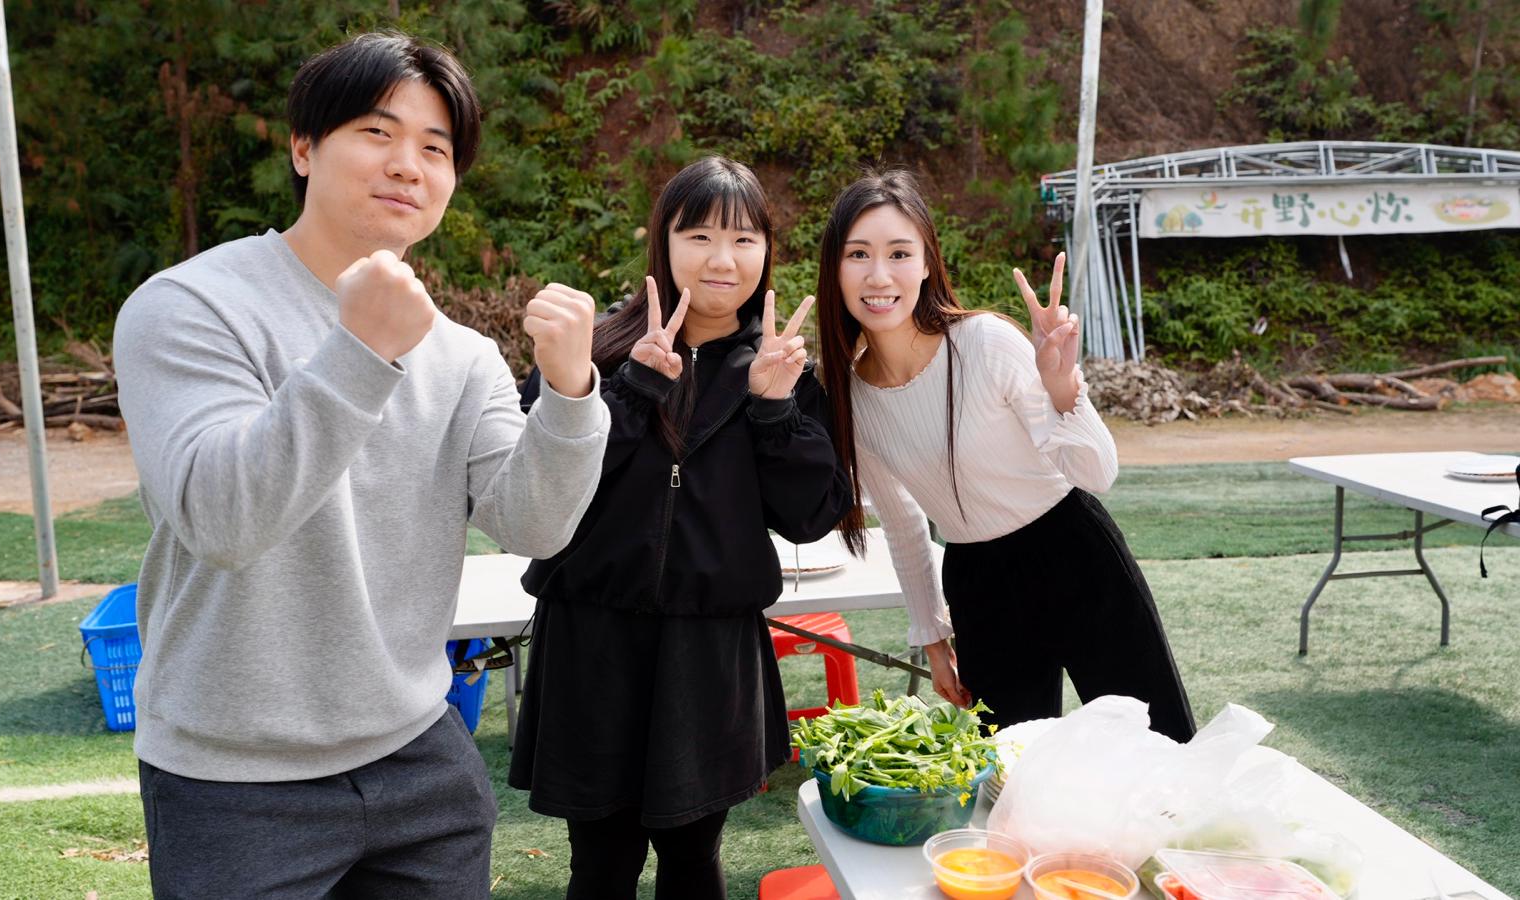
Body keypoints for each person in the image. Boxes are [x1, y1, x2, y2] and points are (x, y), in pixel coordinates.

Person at [113, 32, 610, 899]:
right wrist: (361, 352)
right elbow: (222, 521)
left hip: (418, 755)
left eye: (435, 148)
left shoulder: (461, 356)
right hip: (234, 778)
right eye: (377, 133)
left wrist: (569, 395)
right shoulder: (190, 306)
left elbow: (535, 526)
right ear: (304, 148)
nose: (407, 165)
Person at [506, 156, 851, 900]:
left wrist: (773, 410)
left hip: (709, 649)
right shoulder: (592, 351)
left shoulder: (779, 367)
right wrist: (635, 389)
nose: (723, 259)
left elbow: (812, 515)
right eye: (700, 236)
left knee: (694, 856)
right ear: (662, 240)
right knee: (600, 861)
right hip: (591, 640)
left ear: (767, 252)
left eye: (744, 239)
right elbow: (539, 491)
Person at [812, 169, 1195, 743]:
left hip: (1076, 555)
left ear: (927, 263)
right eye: (858, 254)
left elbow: (1097, 473)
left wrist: (1063, 386)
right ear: (835, 269)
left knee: (1158, 749)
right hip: (979, 586)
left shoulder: (986, 342)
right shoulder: (850, 396)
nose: (879, 275)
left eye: (899, 253)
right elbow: (903, 521)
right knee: (1012, 774)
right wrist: (933, 639)